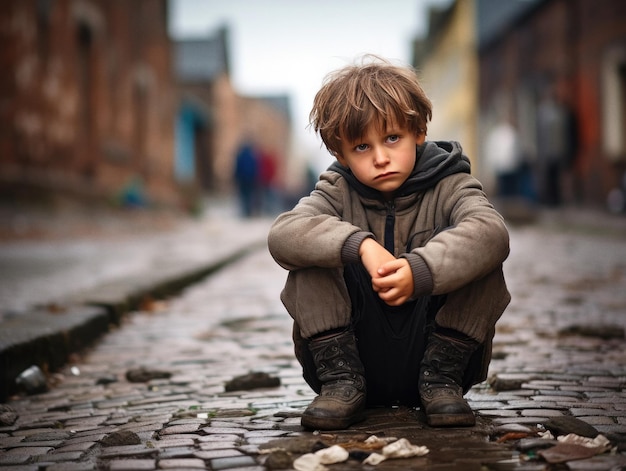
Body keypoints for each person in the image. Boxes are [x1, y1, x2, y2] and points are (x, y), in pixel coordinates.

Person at [267, 56, 511, 431]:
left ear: (418, 132)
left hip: (438, 359)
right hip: (356, 357)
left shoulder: (451, 184)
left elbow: (492, 232)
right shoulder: (336, 190)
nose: (381, 158)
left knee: (481, 256)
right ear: (340, 153)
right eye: (362, 147)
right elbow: (283, 234)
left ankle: (441, 379)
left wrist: (421, 271)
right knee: (309, 256)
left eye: (392, 138)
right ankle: (340, 380)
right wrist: (359, 244)